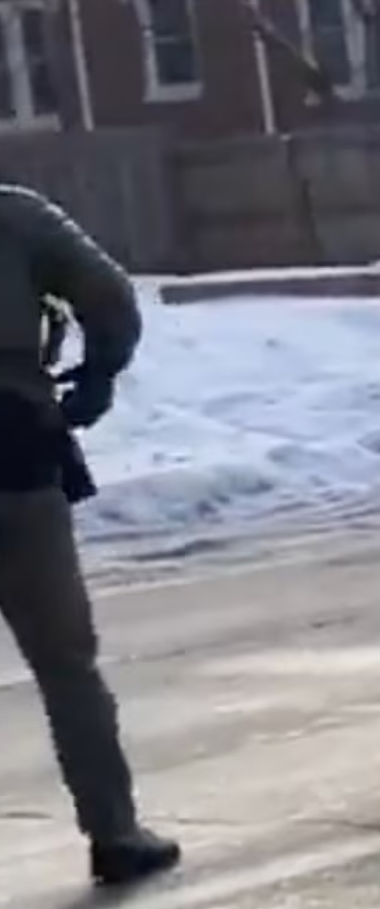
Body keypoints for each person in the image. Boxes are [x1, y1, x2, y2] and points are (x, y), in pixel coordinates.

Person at [0, 184, 181, 886]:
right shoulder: (16, 215)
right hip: (15, 449)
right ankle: (114, 831)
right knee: (66, 661)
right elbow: (109, 295)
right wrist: (99, 374)